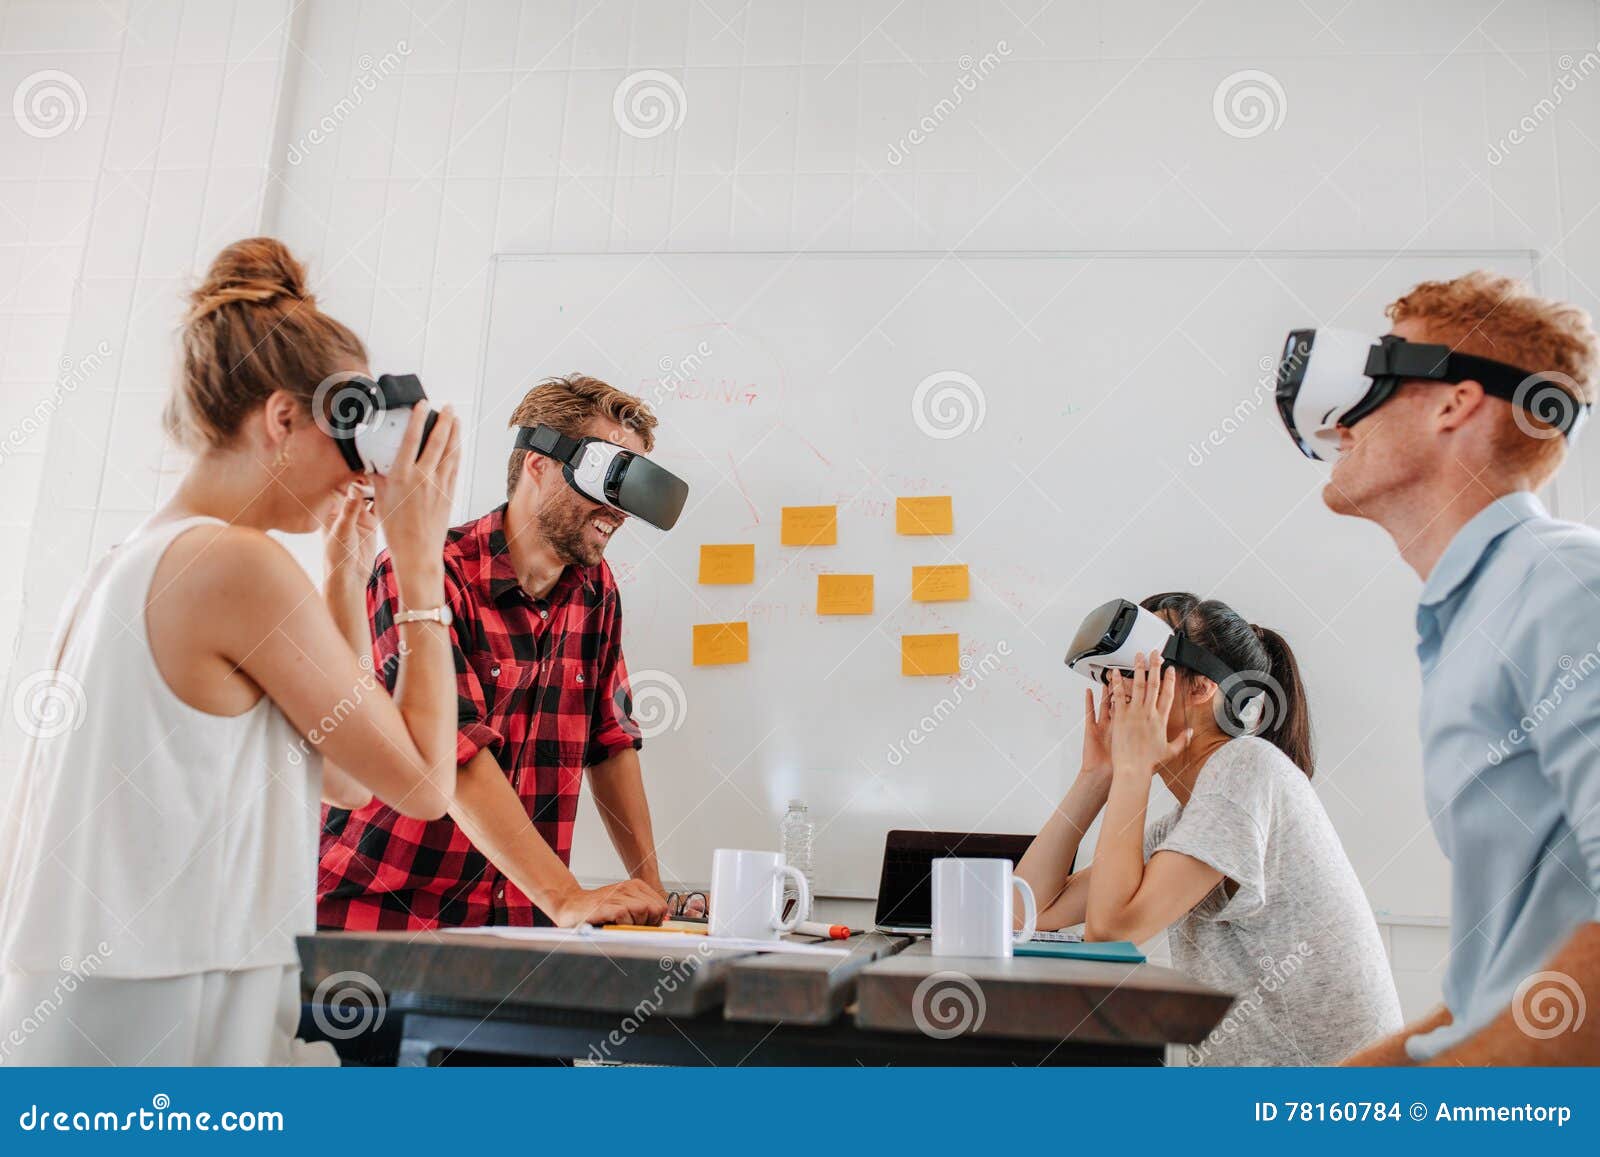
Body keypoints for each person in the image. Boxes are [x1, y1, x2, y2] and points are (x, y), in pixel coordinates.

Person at [0, 238, 462, 1065]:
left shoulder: (140, 557)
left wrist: (348, 574)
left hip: (104, 1031)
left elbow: (349, 777)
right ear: (282, 417)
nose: (358, 477)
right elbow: (425, 783)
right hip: (162, 1046)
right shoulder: (232, 565)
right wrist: (421, 562)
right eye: (347, 443)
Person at [1304, 273, 1600, 1064]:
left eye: (1376, 379)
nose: (1340, 423)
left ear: (1452, 403)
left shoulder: (1565, 586)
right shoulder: (1472, 615)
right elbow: (1491, 991)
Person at [318, 375, 673, 931]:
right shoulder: (422, 573)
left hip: (513, 921)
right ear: (538, 464)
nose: (620, 511)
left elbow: (611, 742)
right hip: (386, 912)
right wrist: (563, 896)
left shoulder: (595, 590)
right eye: (609, 480)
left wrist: (653, 897)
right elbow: (452, 750)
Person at [1018, 593, 1401, 1065]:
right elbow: (1026, 912)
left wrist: (1135, 768)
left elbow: (1112, 931)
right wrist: (1096, 777)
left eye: (1138, 673)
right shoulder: (1184, 826)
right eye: (1115, 678)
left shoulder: (1247, 769)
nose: (1118, 691)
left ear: (1201, 688)